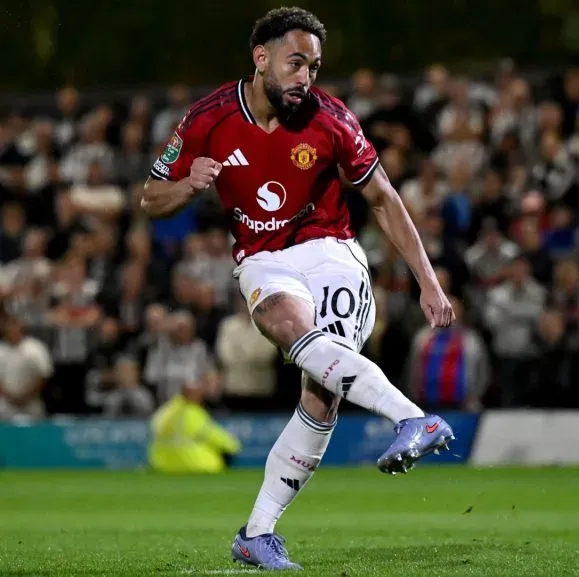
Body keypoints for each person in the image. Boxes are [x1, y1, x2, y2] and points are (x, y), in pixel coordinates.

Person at [139, 7, 456, 570]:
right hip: (262, 259)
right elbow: (150, 198)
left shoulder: (331, 118)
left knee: (320, 396)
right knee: (288, 325)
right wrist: (188, 184)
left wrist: (427, 282)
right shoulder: (207, 118)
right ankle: (411, 417)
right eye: (295, 63)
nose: (305, 76)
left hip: (332, 252)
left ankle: (256, 534)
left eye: (313, 66)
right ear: (261, 58)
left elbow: (383, 198)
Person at [148, 376, 241, 474]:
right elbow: (216, 437)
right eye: (199, 393)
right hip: (194, 465)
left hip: (163, 466)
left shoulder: (164, 411)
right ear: (189, 394)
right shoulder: (191, 412)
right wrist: (234, 447)